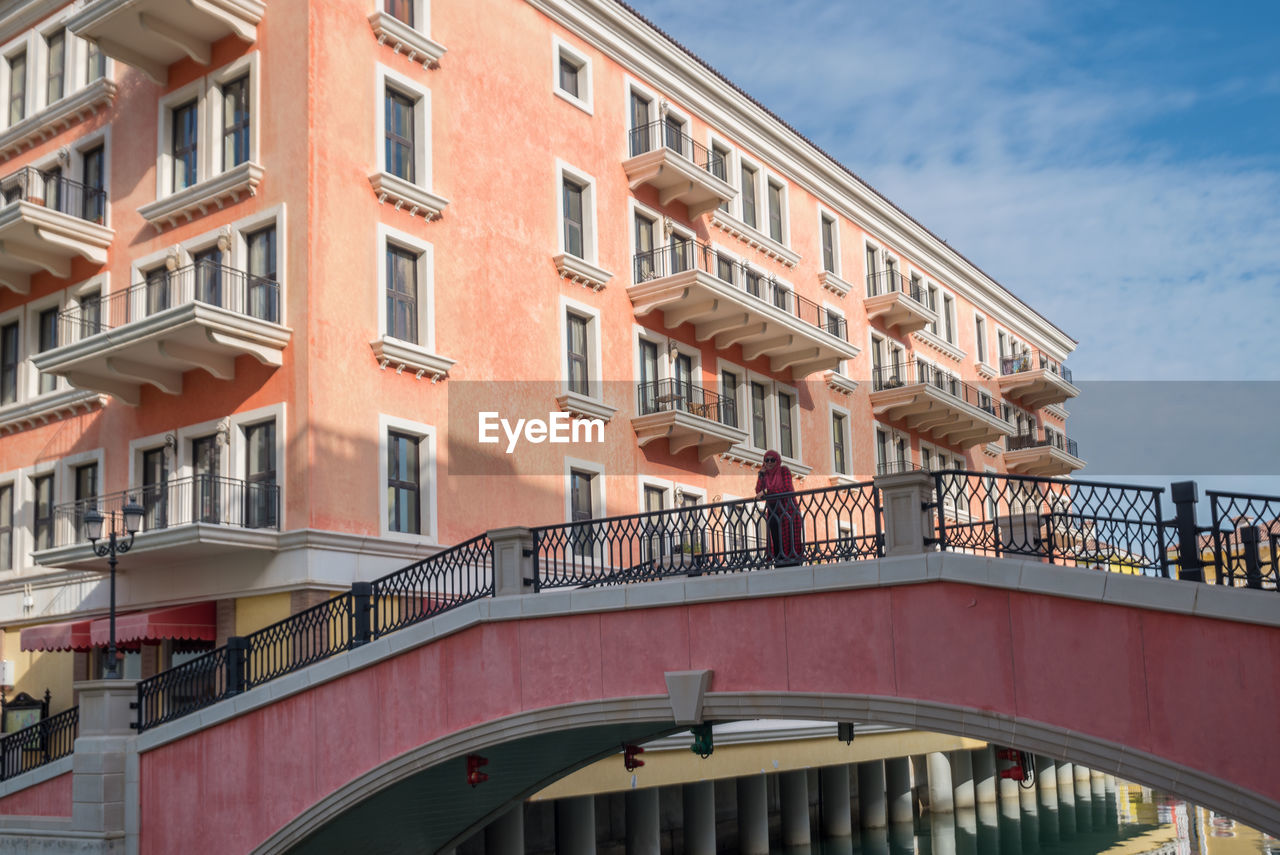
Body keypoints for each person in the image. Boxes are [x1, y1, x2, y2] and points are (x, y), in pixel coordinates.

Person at [755, 450, 804, 567]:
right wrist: (760, 476)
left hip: (787, 508)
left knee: (789, 538)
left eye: (773, 460)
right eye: (767, 460)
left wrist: (766, 491)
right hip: (773, 510)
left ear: (778, 461)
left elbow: (786, 488)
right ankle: (779, 563)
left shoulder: (784, 471)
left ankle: (792, 563)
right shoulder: (765, 475)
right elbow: (758, 493)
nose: (769, 462)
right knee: (776, 538)